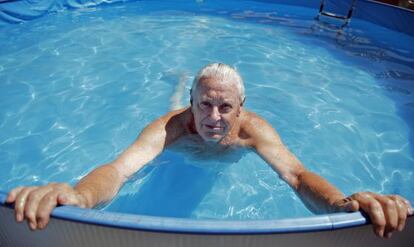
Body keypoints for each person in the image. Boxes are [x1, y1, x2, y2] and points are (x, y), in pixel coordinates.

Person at [6, 63, 412, 238]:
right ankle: (176, 83)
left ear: (242, 107)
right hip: (176, 135)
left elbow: (297, 175)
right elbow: (119, 170)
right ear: (193, 102)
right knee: (169, 111)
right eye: (204, 104)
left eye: (225, 107)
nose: (213, 117)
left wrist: (342, 205)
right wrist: (80, 196)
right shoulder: (174, 128)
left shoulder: (254, 132)